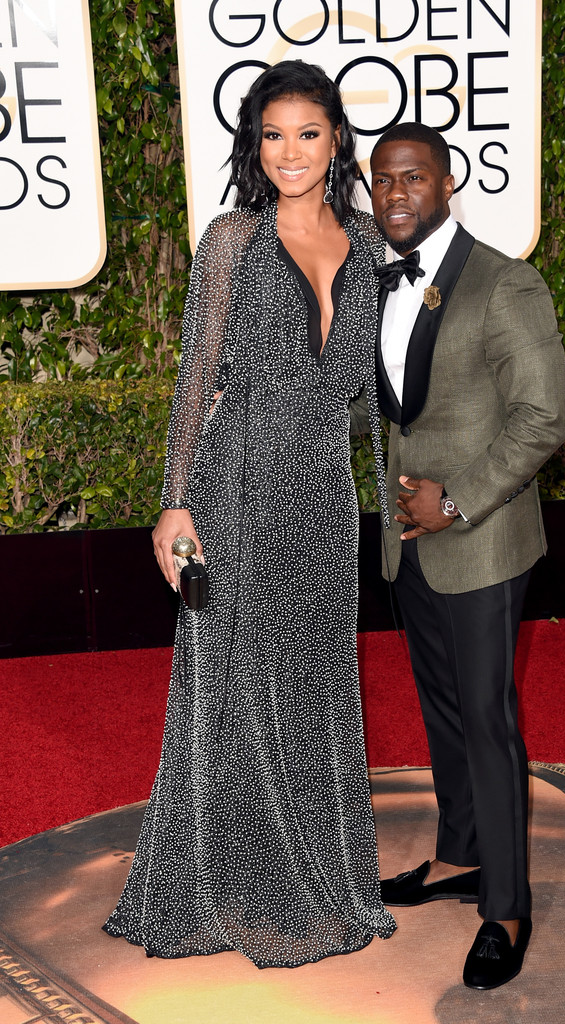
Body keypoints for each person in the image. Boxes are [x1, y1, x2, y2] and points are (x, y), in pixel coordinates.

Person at [103, 61, 396, 969]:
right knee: (235, 681)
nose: (290, 152)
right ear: (254, 145)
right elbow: (196, 379)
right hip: (235, 479)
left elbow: (376, 394)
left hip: (319, 487)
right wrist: (174, 500)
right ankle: (234, 883)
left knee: (314, 679)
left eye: (307, 133)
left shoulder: (372, 245)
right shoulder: (232, 239)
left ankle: (323, 870)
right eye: (273, 135)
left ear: (337, 140)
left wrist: (392, 500)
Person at [367, 122, 565, 989]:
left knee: (487, 721)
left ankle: (507, 907)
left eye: (413, 178)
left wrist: (453, 501)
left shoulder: (505, 283)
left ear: (448, 184)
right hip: (405, 544)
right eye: (382, 181)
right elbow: (387, 413)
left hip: (481, 538)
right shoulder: (374, 282)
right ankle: (461, 855)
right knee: (443, 710)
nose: (396, 195)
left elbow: (543, 419)